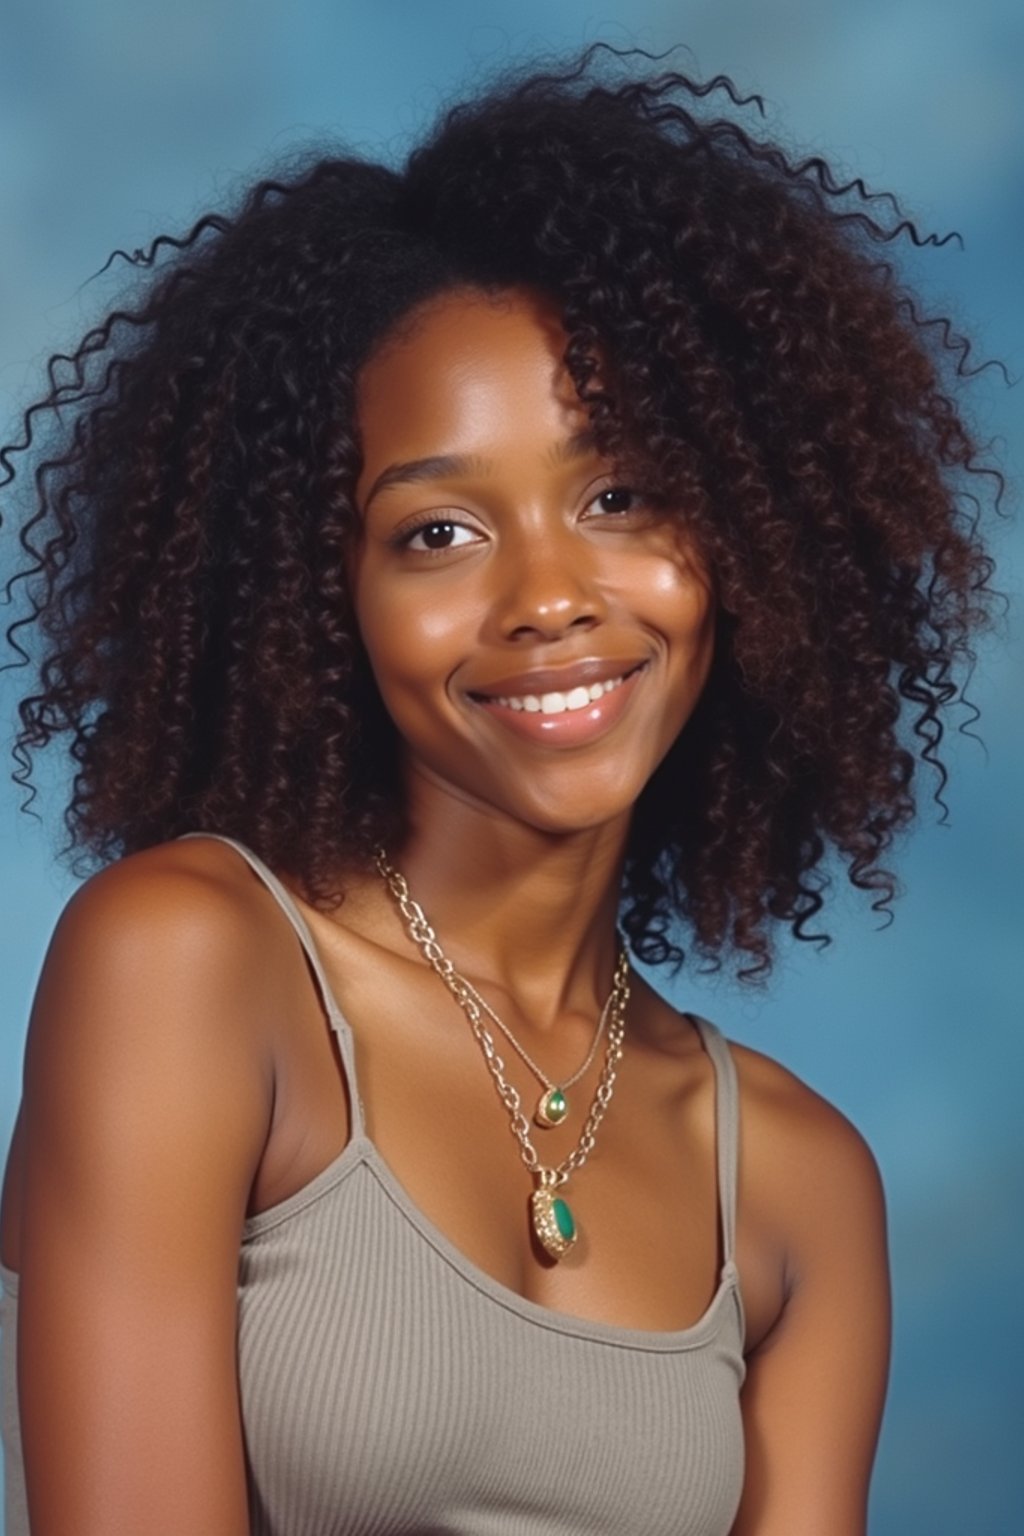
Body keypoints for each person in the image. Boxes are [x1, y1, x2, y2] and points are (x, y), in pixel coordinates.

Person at [0, 43, 1001, 1536]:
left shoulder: (799, 1187)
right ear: (310, 589)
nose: (550, 595)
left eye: (620, 496)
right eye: (438, 533)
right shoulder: (191, 969)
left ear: (750, 530)